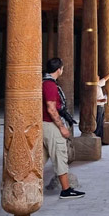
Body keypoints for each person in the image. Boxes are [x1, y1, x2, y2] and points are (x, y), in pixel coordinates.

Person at [42, 58, 84, 199]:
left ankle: (27, 185)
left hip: (42, 124)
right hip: (49, 125)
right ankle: (66, 190)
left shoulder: (44, 82)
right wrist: (61, 127)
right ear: (59, 69)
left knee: (40, 158)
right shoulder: (50, 85)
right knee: (60, 155)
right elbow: (51, 108)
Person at [94, 68, 109, 141]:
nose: (99, 77)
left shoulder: (98, 84)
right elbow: (90, 99)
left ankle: (100, 138)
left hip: (101, 105)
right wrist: (101, 100)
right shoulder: (94, 86)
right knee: (98, 122)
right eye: (97, 76)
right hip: (98, 105)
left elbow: (105, 79)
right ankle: (97, 136)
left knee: (101, 123)